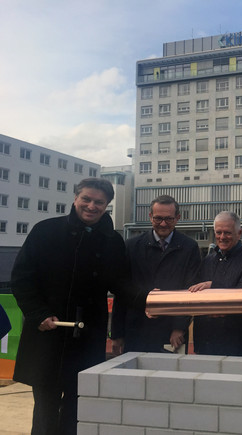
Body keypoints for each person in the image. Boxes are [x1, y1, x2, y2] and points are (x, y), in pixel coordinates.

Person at [11, 178, 148, 435]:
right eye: (86, 199)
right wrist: (38, 313)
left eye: (99, 202)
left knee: (78, 407)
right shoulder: (45, 231)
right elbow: (22, 279)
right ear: (75, 198)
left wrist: (148, 299)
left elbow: (121, 284)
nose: (91, 206)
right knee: (45, 408)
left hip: (86, 338)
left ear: (107, 205)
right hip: (47, 335)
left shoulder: (113, 242)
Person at [111, 195, 201, 354]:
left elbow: (190, 291)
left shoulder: (189, 248)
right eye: (158, 218)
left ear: (178, 218)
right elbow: (122, 291)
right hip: (136, 328)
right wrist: (117, 334)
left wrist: (179, 327)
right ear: (150, 217)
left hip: (171, 331)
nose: (164, 224)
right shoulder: (131, 246)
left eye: (169, 219)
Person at [188, 211, 242, 356]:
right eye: (218, 232)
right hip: (205, 342)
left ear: (239, 233)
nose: (222, 237)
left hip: (237, 343)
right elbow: (195, 294)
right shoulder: (207, 260)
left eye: (227, 233)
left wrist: (212, 286)